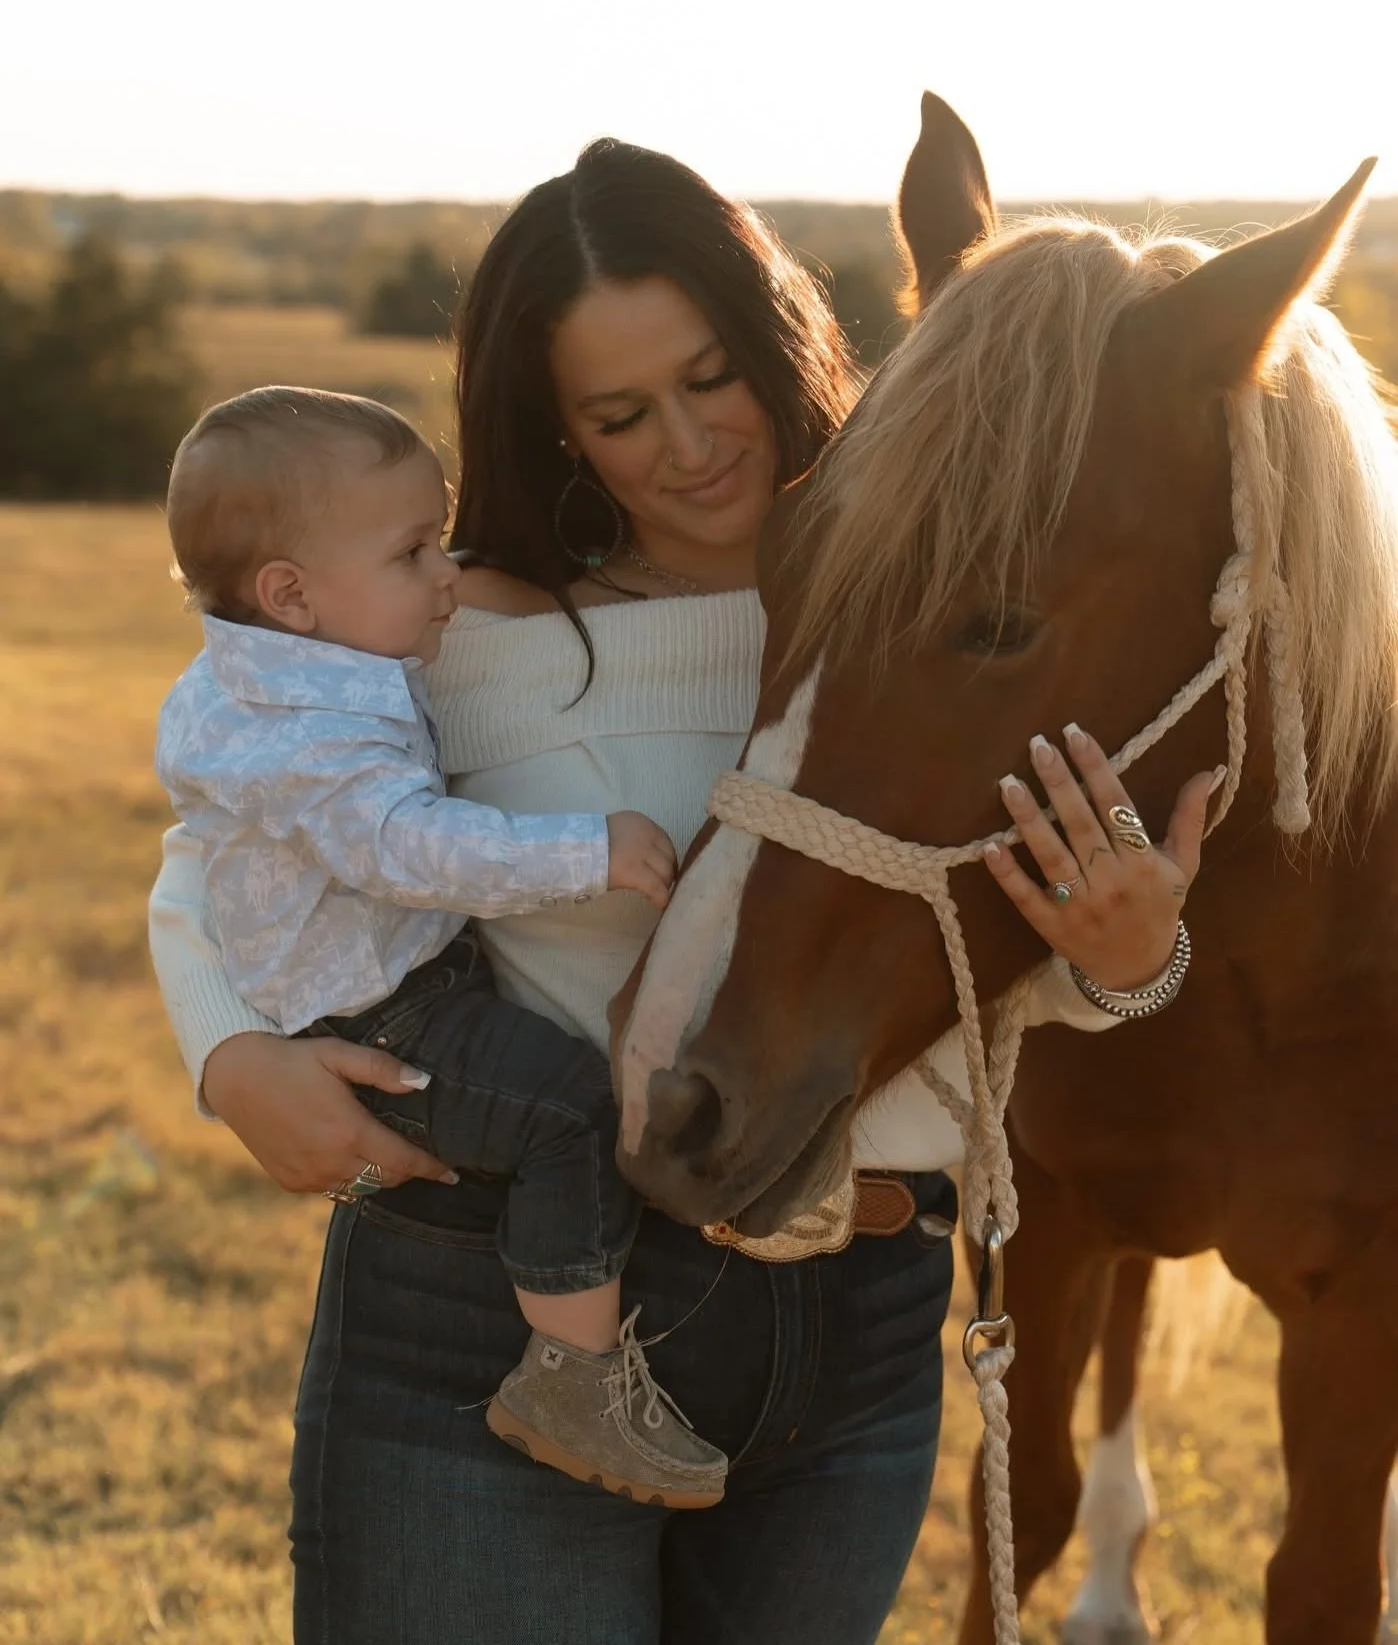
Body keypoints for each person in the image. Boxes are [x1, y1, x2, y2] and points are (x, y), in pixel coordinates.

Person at [148, 138, 1214, 1645]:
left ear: (777, 335)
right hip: (497, 1305)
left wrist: (1132, 957)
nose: (690, 443)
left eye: (712, 375)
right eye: (619, 413)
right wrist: (228, 1053)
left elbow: (994, 941)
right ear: (558, 432)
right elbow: (223, 845)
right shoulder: (454, 627)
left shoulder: (938, 608)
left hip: (856, 1322)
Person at [154, 384, 725, 1508]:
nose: (448, 576)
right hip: (378, 1014)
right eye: (415, 552)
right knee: (566, 1112)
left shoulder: (280, 672)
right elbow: (409, 848)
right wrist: (589, 849)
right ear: (292, 595)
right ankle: (573, 1376)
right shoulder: (309, 736)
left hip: (386, 978)